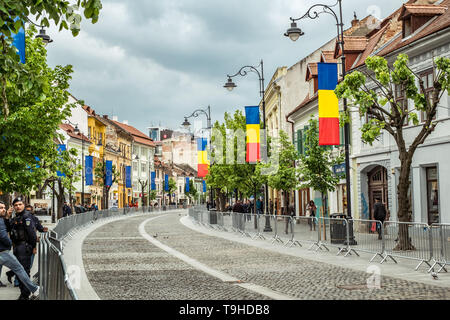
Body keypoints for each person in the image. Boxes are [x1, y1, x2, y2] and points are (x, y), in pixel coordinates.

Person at [0, 201, 39, 299]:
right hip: (6, 250)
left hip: (23, 247)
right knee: (20, 270)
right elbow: (4, 235)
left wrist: (33, 247)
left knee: (21, 270)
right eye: (1, 208)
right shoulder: (3, 220)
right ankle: (32, 290)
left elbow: (32, 234)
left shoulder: (26, 217)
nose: (4, 209)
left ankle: (26, 294)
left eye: (4, 207)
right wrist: (10, 244)